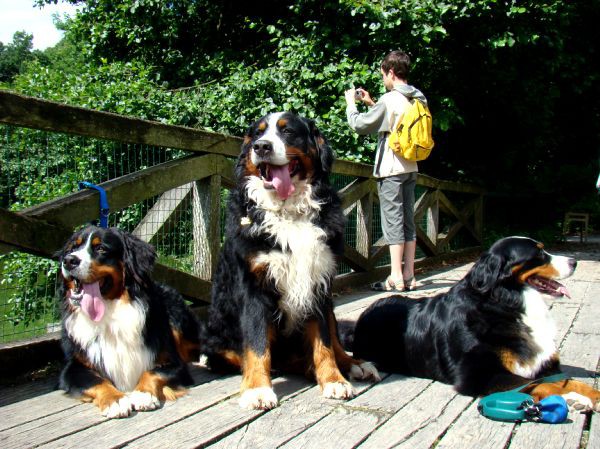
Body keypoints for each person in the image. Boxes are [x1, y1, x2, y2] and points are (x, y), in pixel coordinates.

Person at [345, 49, 428, 292]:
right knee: (408, 222)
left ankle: (395, 277)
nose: (383, 79)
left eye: (383, 75)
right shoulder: (418, 97)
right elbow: (397, 121)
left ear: (391, 72)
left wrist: (352, 104)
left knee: (392, 222)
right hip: (411, 167)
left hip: (391, 169)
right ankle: (410, 276)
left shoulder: (390, 99)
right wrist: (372, 102)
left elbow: (360, 125)